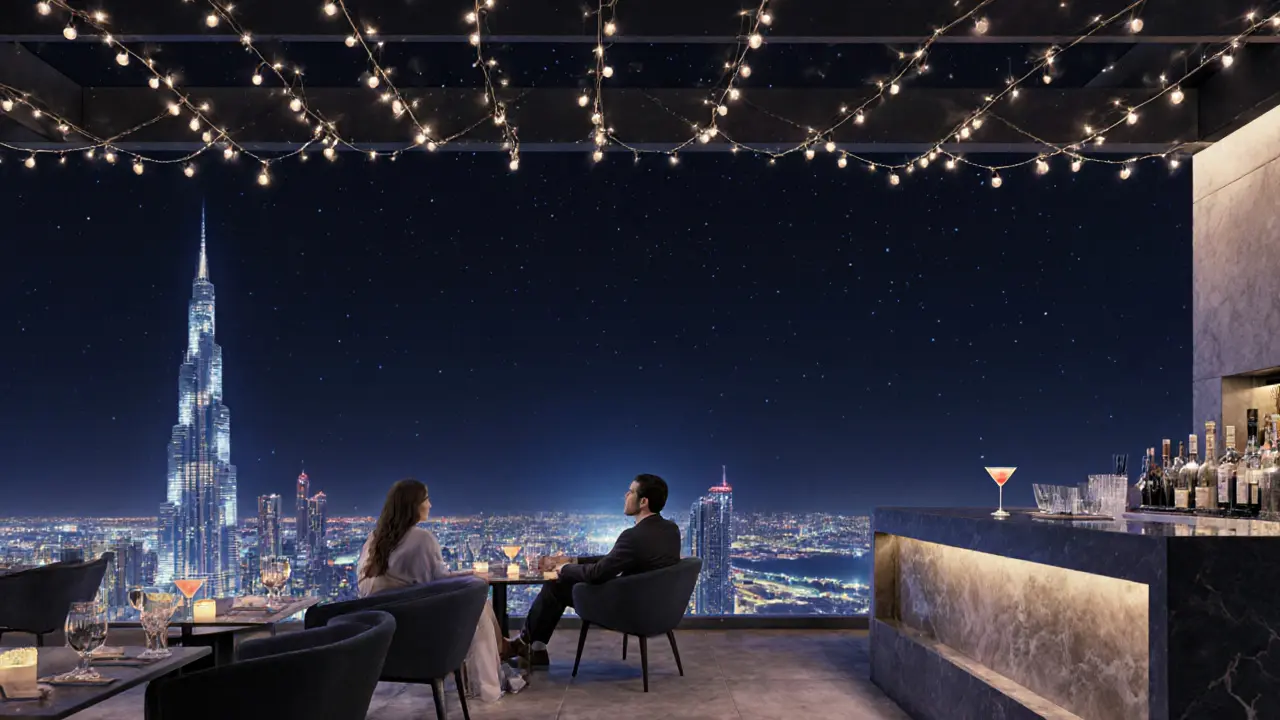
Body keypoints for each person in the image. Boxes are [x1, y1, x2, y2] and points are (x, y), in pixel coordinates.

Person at [356, 478, 524, 701]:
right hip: (422, 629)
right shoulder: (422, 539)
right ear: (413, 505)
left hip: (386, 627)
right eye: (426, 499)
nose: (430, 505)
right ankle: (498, 659)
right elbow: (438, 582)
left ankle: (503, 648)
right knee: (478, 601)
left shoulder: (374, 539)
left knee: (477, 597)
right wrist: (473, 576)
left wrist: (467, 576)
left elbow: (426, 583)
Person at [509, 473, 681, 660]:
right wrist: (572, 560)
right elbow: (613, 560)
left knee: (556, 585)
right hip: (657, 609)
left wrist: (563, 568)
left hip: (627, 610)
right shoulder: (670, 530)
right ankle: (532, 647)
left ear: (643, 502)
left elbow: (596, 574)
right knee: (562, 582)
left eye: (630, 492)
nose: (625, 496)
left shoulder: (633, 536)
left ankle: (528, 647)